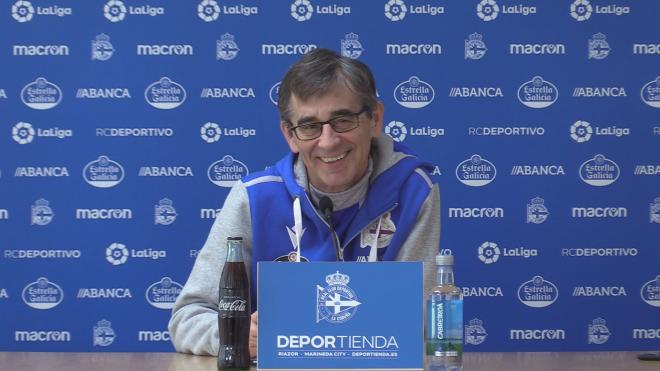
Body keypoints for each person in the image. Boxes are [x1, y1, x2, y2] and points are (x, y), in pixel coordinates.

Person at [168, 48, 440, 357]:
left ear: (375, 119)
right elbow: (187, 318)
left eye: (343, 120)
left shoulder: (414, 191)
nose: (328, 141)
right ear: (290, 135)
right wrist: (236, 335)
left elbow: (423, 324)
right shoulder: (254, 198)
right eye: (310, 126)